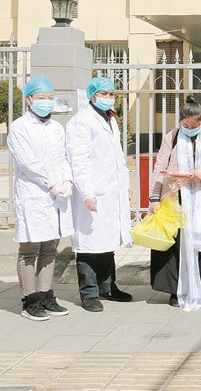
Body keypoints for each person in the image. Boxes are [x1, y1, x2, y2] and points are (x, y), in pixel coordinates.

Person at [7, 76, 73, 321]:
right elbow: (28, 163)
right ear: (29, 100)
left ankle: (45, 294)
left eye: (50, 97)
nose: (46, 101)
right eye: (41, 97)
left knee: (50, 246)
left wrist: (67, 181)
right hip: (34, 193)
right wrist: (51, 183)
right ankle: (30, 300)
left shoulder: (56, 128)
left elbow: (64, 158)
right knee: (30, 247)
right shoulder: (19, 127)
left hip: (56, 195)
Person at [65, 77, 133, 312]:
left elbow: (118, 156)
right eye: (104, 94)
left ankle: (108, 287)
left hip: (111, 190)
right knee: (88, 245)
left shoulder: (110, 119)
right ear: (92, 95)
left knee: (107, 241)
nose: (108, 98)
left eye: (111, 94)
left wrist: (125, 183)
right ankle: (89, 293)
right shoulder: (81, 122)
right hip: (92, 191)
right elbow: (79, 161)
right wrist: (87, 192)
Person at [148, 97, 201, 310]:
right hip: (175, 198)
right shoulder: (172, 136)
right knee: (175, 245)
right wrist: (154, 198)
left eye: (194, 125)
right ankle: (174, 290)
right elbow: (160, 167)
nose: (189, 128)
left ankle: (193, 286)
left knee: (196, 242)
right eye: (185, 124)